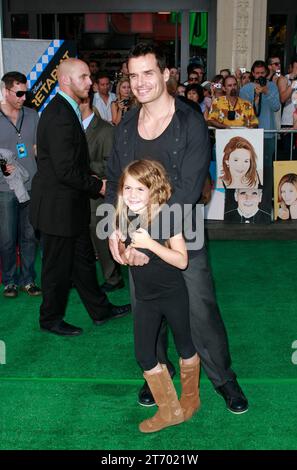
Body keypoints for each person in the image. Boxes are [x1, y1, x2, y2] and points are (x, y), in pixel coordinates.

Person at [106, 43, 248, 414]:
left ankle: (223, 378)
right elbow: (113, 183)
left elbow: (185, 192)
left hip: (183, 235)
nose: (139, 83)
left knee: (201, 309)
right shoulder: (124, 129)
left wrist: (145, 241)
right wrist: (114, 231)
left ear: (167, 74)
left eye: (147, 73)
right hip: (137, 237)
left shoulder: (190, 122)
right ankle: (158, 373)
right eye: (133, 75)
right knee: (148, 310)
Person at [29, 58, 130, 336]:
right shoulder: (60, 114)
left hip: (70, 206)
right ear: (65, 81)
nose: (90, 82)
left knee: (83, 262)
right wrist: (98, 185)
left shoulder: (66, 109)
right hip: (57, 209)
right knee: (55, 269)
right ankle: (50, 319)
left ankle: (100, 311)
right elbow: (65, 171)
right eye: (84, 77)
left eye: (89, 76)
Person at [115, 159, 200, 433]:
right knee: (144, 354)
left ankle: (190, 399)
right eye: (127, 188)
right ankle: (170, 410)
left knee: (186, 347)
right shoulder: (125, 217)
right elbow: (131, 255)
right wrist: (129, 255)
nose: (132, 195)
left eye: (140, 189)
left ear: (154, 190)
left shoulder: (167, 217)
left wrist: (150, 244)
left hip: (173, 294)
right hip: (146, 298)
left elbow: (182, 260)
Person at [0, 71, 41, 298]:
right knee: (6, 239)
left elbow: (38, 148)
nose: (23, 97)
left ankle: (27, 280)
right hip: (4, 188)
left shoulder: (33, 115)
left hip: (31, 185)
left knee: (29, 236)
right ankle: (9, 281)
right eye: (18, 93)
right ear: (6, 91)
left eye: (25, 93)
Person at [79, 94, 124, 292]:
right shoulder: (71, 128)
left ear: (85, 102)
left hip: (99, 193)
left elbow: (110, 165)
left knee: (101, 235)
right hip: (77, 192)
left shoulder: (106, 130)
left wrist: (81, 166)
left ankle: (113, 277)